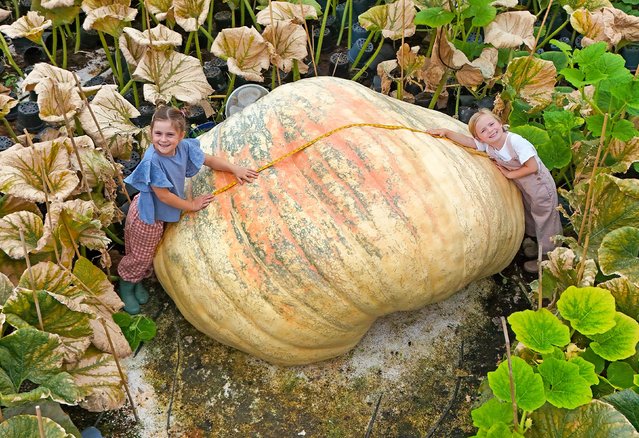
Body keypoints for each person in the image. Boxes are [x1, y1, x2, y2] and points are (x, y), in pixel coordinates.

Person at [117, 105, 258, 314]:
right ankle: (126, 286)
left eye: (169, 134)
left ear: (181, 135)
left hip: (162, 211)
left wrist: (234, 168)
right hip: (148, 217)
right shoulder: (152, 161)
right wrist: (191, 205)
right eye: (158, 133)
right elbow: (164, 195)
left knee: (146, 253)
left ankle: (136, 281)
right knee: (140, 256)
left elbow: (208, 160)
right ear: (150, 133)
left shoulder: (184, 148)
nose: (163, 140)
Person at [428, 108, 562, 274]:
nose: (490, 130)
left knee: (546, 220)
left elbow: (532, 167)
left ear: (500, 123)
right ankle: (537, 244)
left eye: (491, 124)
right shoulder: (489, 146)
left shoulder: (516, 142)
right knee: (530, 214)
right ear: (479, 137)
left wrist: (509, 174)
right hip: (525, 187)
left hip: (540, 186)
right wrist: (447, 132)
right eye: (483, 130)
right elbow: (468, 142)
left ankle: (548, 258)